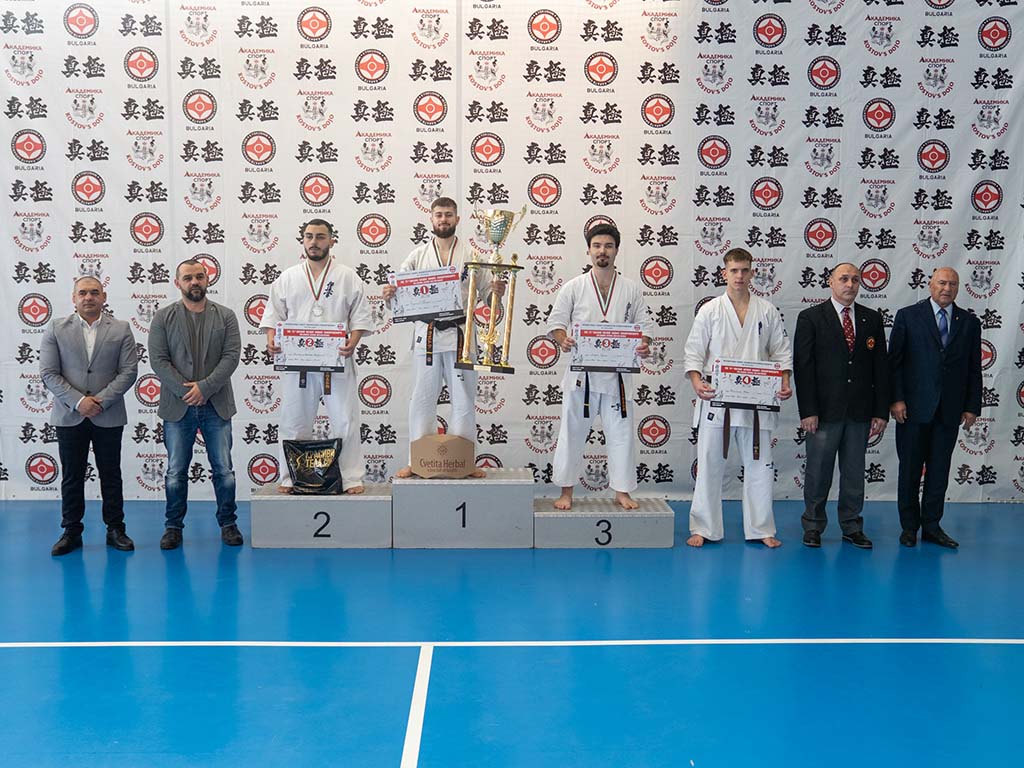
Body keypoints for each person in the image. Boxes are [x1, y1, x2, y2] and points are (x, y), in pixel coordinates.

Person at [381, 197, 503, 478]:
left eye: (448, 214)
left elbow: (487, 295)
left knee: (464, 399)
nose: (443, 219)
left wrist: (497, 292)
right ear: (431, 218)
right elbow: (400, 297)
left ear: (457, 219)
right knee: (422, 399)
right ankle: (417, 460)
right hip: (427, 334)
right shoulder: (417, 256)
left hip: (461, 335)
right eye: (439, 215)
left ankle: (464, 460)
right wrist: (390, 295)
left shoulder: (472, 255)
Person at [683, 248, 793, 547]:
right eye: (734, 270)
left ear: (753, 273)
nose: (740, 276)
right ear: (725, 273)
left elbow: (781, 351)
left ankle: (761, 528)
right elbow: (694, 351)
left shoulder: (766, 310)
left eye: (745, 270)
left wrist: (785, 381)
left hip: (757, 401)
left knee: (760, 465)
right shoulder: (711, 310)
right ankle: (703, 527)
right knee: (709, 465)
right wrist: (697, 382)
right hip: (716, 398)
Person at [261, 219, 374, 494]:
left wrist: (353, 341)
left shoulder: (348, 277)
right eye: (309, 236)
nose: (314, 242)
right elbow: (273, 315)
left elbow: (360, 316)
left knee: (345, 419)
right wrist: (271, 340)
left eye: (320, 237)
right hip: (298, 363)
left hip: (336, 360)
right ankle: (290, 476)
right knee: (294, 419)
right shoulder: (288, 277)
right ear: (303, 240)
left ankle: (350, 477)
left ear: (332, 241)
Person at [548, 223, 653, 510]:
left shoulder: (631, 289)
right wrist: (563, 340)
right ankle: (566, 491)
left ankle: (622, 491)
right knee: (571, 433)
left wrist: (643, 344)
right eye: (596, 246)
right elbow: (556, 323)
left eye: (608, 245)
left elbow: (644, 327)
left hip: (618, 378)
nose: (602, 251)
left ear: (616, 250)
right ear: (589, 251)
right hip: (581, 378)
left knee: (621, 435)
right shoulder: (574, 287)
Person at [39, 276, 138, 556]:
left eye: (94, 292)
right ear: (74, 298)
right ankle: (71, 531)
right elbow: (48, 372)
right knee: (72, 476)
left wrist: (100, 402)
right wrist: (79, 401)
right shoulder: (56, 328)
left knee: (111, 474)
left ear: (104, 296)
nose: (88, 297)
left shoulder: (121, 329)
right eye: (82, 292)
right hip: (70, 414)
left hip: (108, 414)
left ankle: (115, 529)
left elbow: (129, 371)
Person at [793, 263, 889, 549]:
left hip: (860, 412)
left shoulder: (872, 319)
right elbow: (803, 368)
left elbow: (880, 368)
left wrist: (880, 411)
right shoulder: (811, 317)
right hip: (823, 413)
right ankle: (813, 525)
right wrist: (808, 410)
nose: (850, 284)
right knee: (818, 472)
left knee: (854, 474)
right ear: (830, 282)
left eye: (855, 279)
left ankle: (852, 526)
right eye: (844, 279)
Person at [149, 259, 242, 550]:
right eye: (188, 277)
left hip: (217, 404)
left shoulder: (226, 316)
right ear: (177, 282)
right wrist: (187, 391)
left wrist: (205, 387)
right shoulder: (163, 317)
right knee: (175, 471)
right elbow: (158, 360)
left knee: (224, 470)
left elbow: (231, 356)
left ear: (207, 279)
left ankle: (228, 523)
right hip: (178, 406)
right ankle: (173, 527)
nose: (195, 282)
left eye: (200, 276)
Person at [889, 267, 981, 548]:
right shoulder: (908, 316)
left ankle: (932, 526)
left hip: (949, 410)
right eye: (942, 282)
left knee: (939, 471)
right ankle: (909, 527)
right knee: (909, 470)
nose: (947, 288)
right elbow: (894, 363)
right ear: (930, 285)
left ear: (958, 288)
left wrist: (971, 407)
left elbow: (973, 368)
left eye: (952, 284)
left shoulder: (969, 322)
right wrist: (896, 399)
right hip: (913, 409)